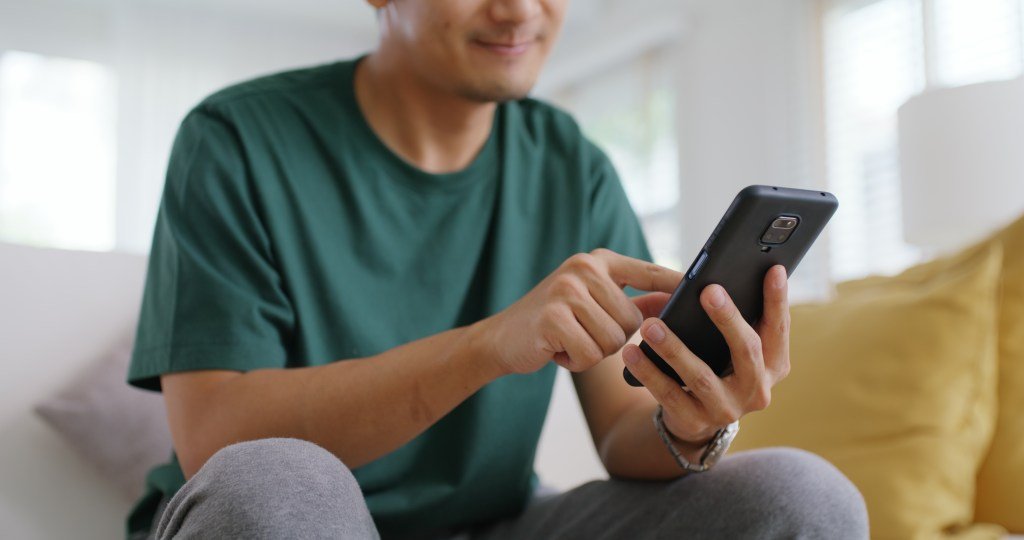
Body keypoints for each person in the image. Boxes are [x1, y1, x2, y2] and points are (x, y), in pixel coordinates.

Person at [125, 0, 869, 538]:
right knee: (277, 484)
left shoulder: (571, 166)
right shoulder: (234, 140)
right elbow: (214, 437)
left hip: (497, 524)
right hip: (288, 520)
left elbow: (622, 431)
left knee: (804, 494)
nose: (518, 12)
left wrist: (691, 422)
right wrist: (486, 346)